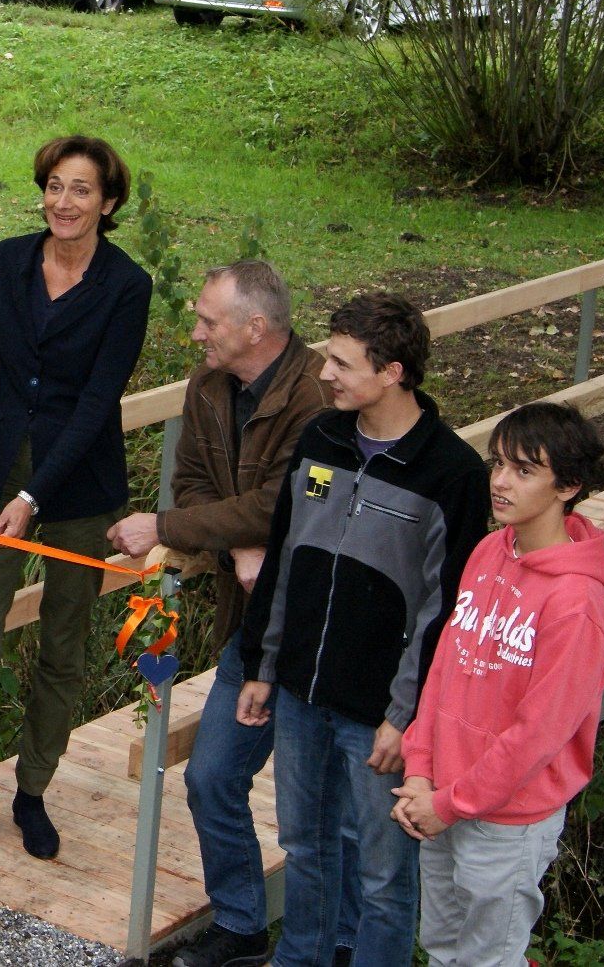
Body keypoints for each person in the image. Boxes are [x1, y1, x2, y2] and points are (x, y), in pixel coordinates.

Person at [0, 136, 151, 868]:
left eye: (81, 190)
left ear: (108, 202)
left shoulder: (126, 285)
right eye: (54, 186)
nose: (63, 202)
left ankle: (33, 791)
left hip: (78, 487)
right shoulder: (11, 259)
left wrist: (34, 495)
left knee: (63, 646)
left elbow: (98, 402)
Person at [106, 261, 360, 967]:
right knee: (212, 775)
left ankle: (343, 942)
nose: (196, 334)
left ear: (256, 327)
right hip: (251, 624)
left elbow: (288, 503)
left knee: (329, 806)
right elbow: (191, 481)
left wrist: (169, 528)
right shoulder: (209, 384)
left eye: (207, 321)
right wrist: (239, 541)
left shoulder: (320, 396)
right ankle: (243, 925)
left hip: (322, 626)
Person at [238, 292, 490, 966]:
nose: (325, 373)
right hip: (299, 693)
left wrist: (404, 716)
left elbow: (446, 611)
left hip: (378, 716)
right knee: (304, 848)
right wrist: (263, 666)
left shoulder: (453, 473)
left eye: (343, 363)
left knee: (383, 877)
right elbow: (284, 555)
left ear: (393, 372)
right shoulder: (319, 438)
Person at [398, 403, 604, 966]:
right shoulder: (489, 550)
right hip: (440, 794)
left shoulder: (576, 604)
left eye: (523, 470)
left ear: (568, 486)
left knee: (487, 960)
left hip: (505, 822)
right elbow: (444, 668)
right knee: (441, 949)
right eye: (497, 463)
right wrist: (420, 768)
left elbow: (539, 733)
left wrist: (452, 803)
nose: (499, 481)